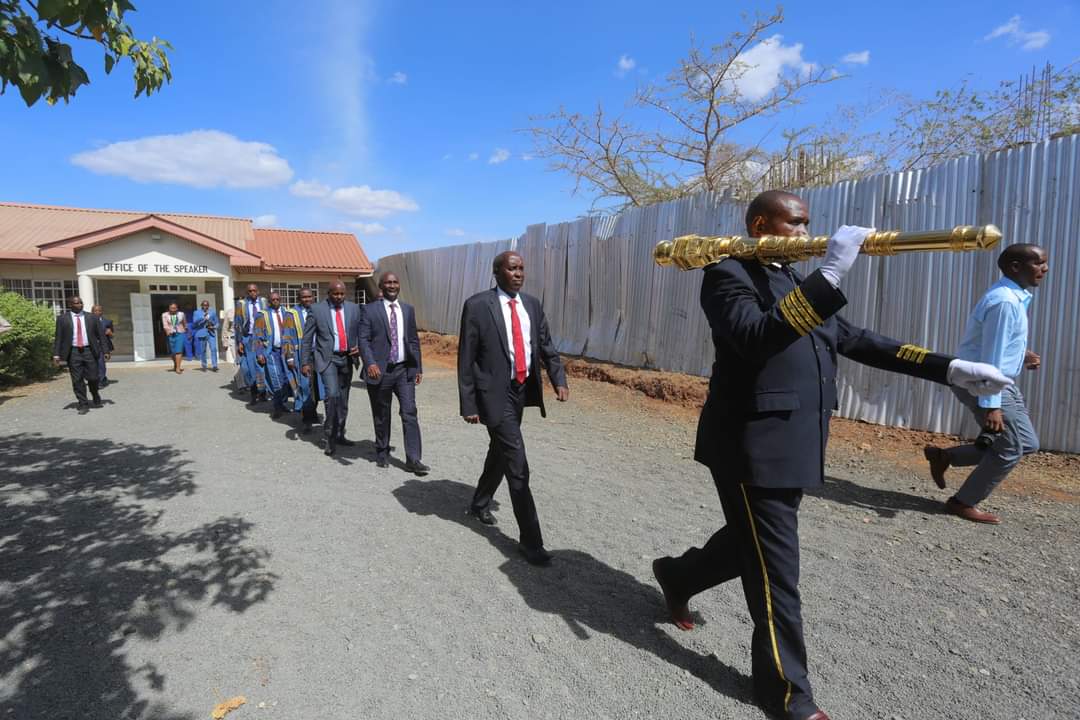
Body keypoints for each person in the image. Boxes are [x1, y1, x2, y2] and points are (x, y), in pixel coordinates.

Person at [648, 191, 1012, 720]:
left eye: (807, 224)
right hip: (752, 445)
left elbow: (858, 339)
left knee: (753, 543)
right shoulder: (727, 274)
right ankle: (788, 698)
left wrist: (949, 367)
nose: (805, 232)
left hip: (796, 442)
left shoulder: (794, 280)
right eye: (795, 224)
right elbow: (755, 338)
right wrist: (834, 271)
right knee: (777, 572)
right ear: (760, 224)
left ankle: (677, 576)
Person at [458, 251, 569, 567]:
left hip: (520, 391)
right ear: (497, 272)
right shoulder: (478, 305)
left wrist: (558, 379)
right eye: (512, 268)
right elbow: (466, 357)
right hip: (494, 394)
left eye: (521, 268)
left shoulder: (531, 304)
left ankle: (479, 503)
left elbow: (545, 345)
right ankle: (531, 542)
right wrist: (468, 403)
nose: (519, 273)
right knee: (518, 464)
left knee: (501, 451)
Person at [922, 244, 1048, 524]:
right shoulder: (1004, 302)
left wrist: (1020, 355)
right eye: (1039, 263)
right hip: (985, 385)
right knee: (1010, 448)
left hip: (991, 381)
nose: (1045, 269)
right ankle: (962, 501)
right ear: (1016, 267)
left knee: (1026, 442)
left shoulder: (1014, 298)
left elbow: (994, 345)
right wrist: (991, 404)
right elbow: (991, 355)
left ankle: (946, 457)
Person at [359, 272, 428, 474]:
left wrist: (417, 367)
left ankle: (413, 459)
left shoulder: (407, 310)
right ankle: (382, 450)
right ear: (381, 286)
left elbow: (413, 340)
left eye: (395, 282)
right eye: (388, 282)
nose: (392, 285)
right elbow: (363, 339)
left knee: (410, 412)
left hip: (404, 370)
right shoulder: (369, 310)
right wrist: (370, 363)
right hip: (380, 371)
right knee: (382, 414)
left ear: (399, 285)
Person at [300, 281, 363, 456]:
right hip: (327, 359)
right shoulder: (317, 310)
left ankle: (340, 433)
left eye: (342, 294)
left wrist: (359, 346)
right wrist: (305, 362)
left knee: (343, 400)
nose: (339, 297)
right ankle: (330, 437)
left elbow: (360, 332)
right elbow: (307, 338)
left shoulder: (353, 309)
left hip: (347, 358)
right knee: (333, 395)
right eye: (335, 294)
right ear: (328, 293)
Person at [52, 295, 107, 413]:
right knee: (77, 380)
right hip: (73, 352)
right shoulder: (62, 319)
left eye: (81, 303)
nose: (80, 305)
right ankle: (83, 403)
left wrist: (106, 351)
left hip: (89, 351)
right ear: (70, 305)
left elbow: (101, 336)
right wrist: (56, 354)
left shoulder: (92, 317)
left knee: (93, 377)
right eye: (76, 303)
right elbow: (58, 338)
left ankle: (95, 393)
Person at [255, 292, 302, 419]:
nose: (275, 301)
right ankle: (277, 407)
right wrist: (259, 353)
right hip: (271, 351)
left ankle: (287, 403)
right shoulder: (262, 315)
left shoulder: (288, 313)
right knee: (276, 379)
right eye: (272, 299)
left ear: (281, 300)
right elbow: (258, 334)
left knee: (289, 378)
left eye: (277, 299)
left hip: (286, 351)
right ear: (269, 301)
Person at [294, 288, 323, 433]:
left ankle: (312, 413)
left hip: (318, 354)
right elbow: (287, 335)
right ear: (299, 299)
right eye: (303, 297)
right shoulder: (291, 314)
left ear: (313, 297)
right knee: (306, 386)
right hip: (302, 355)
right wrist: (290, 357)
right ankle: (307, 419)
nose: (307, 299)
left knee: (318, 387)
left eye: (309, 297)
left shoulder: (319, 311)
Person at [234, 284, 268, 403]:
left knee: (261, 366)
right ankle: (254, 392)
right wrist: (239, 342)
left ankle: (262, 393)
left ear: (258, 291)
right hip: (247, 338)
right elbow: (238, 324)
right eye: (250, 291)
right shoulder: (241, 304)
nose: (252, 293)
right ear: (247, 292)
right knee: (248, 368)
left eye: (254, 290)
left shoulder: (264, 302)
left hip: (261, 338)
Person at [192, 300, 220, 372]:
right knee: (203, 350)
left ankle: (215, 366)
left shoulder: (212, 312)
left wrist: (214, 327)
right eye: (204, 305)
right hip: (202, 332)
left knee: (213, 349)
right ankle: (204, 365)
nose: (205, 307)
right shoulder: (196, 312)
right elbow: (195, 322)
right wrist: (203, 319)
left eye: (206, 305)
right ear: (201, 305)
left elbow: (217, 323)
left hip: (211, 333)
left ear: (208, 306)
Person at [91, 304, 114, 386]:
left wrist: (110, 333)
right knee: (92, 363)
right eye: (95, 311)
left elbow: (112, 336)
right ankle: (98, 378)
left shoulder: (107, 322)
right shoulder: (88, 321)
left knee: (101, 363)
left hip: (102, 346)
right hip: (91, 346)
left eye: (99, 310)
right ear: (92, 312)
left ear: (102, 311)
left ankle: (101, 379)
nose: (97, 312)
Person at [161, 302, 187, 374]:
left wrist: (186, 331)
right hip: (171, 334)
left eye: (175, 308)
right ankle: (175, 364)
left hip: (180, 333)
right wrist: (167, 332)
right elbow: (165, 325)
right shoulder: (165, 315)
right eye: (171, 308)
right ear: (169, 308)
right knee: (173, 352)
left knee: (178, 351)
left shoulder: (181, 314)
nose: (173, 309)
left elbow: (184, 323)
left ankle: (178, 368)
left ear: (177, 308)